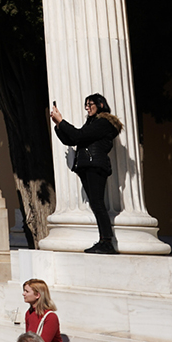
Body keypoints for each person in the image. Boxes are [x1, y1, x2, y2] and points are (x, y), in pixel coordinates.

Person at [51, 92, 123, 254]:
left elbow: (78, 135)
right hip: (87, 164)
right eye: (86, 105)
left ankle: (107, 242)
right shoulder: (92, 123)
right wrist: (58, 124)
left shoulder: (104, 122)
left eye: (90, 104)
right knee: (96, 203)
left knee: (97, 203)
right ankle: (104, 240)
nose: (87, 107)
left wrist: (62, 121)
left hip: (95, 165)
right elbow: (71, 139)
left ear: (101, 105)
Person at [0, 279, 71, 342]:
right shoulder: (29, 313)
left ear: (37, 295)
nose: (23, 294)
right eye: (24, 291)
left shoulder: (50, 316)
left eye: (27, 291)